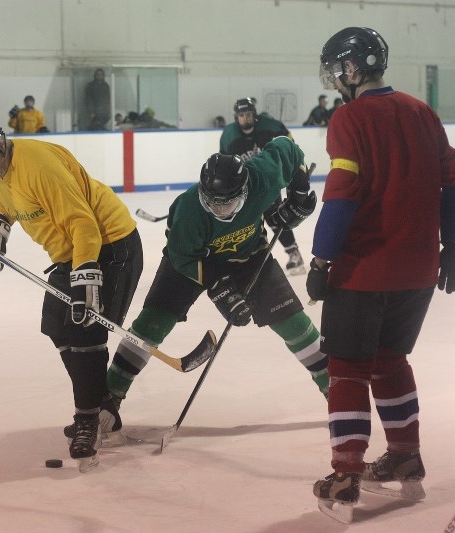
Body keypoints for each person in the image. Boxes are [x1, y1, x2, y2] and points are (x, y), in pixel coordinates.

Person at [309, 27, 455, 520]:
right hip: (418, 268)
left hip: (364, 268)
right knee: (390, 360)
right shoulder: (422, 111)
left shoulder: (350, 118)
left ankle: (346, 472)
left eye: (336, 70)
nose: (334, 80)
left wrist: (321, 258)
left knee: (347, 367)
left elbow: (343, 191)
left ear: (352, 69)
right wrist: (452, 246)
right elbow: (451, 183)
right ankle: (404, 455)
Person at [0, 113, 143, 471]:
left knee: (84, 329)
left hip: (110, 245)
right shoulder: (0, 169)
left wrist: (87, 274)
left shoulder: (39, 166)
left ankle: (89, 418)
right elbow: (10, 200)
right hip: (73, 250)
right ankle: (102, 408)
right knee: (56, 326)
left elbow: (84, 222)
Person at [102, 139, 328, 445]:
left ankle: (336, 391)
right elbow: (182, 258)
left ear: (245, 191)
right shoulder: (189, 210)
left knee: (294, 323)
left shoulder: (262, 176)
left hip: (249, 256)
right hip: (192, 261)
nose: (220, 209)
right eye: (213, 202)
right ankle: (108, 399)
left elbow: (288, 148)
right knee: (151, 323)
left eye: (227, 203)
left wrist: (299, 190)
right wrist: (219, 289)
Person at [220, 97, 307, 275]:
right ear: (236, 117)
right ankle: (251, 260)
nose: (246, 118)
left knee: (274, 218)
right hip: (243, 186)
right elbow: (225, 165)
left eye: (249, 114)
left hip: (269, 181)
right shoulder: (229, 135)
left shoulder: (270, 126)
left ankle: (294, 254)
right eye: (242, 115)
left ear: (255, 115)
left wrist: (294, 170)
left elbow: (289, 143)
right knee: (245, 223)